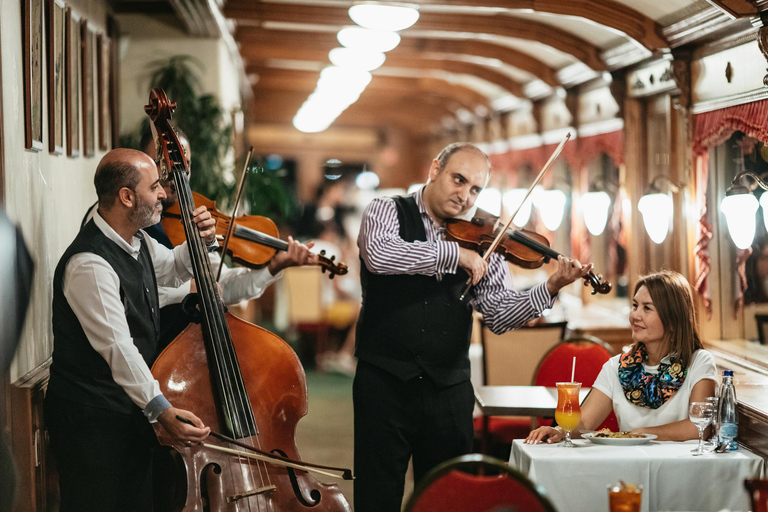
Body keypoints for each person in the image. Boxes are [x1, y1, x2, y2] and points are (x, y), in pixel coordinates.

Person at [353, 142, 592, 511]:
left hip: (447, 389)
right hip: (384, 382)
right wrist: (455, 255)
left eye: (476, 189)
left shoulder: (487, 237)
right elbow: (381, 254)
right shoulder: (387, 209)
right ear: (435, 170)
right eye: (458, 180)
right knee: (376, 496)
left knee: (449, 499)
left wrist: (551, 287)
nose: (465, 196)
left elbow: (499, 315)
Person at [45, 149, 215, 512]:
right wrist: (162, 410)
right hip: (91, 421)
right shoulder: (90, 263)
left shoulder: (136, 240)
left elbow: (172, 268)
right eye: (154, 187)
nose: (164, 195)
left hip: (122, 411)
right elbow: (118, 349)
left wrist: (202, 240)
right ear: (127, 196)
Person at [83, 130, 318, 348]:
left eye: (184, 165)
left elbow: (222, 285)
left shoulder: (192, 216)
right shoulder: (121, 221)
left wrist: (274, 267)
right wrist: (190, 289)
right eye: (163, 164)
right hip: (141, 345)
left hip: (183, 343)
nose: (175, 174)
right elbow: (127, 291)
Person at [525, 270, 718, 445]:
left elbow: (699, 427)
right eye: (635, 306)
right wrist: (558, 430)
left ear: (674, 320)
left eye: (647, 308)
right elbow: (584, 421)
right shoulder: (616, 366)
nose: (635, 315)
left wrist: (643, 434)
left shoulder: (699, 362)